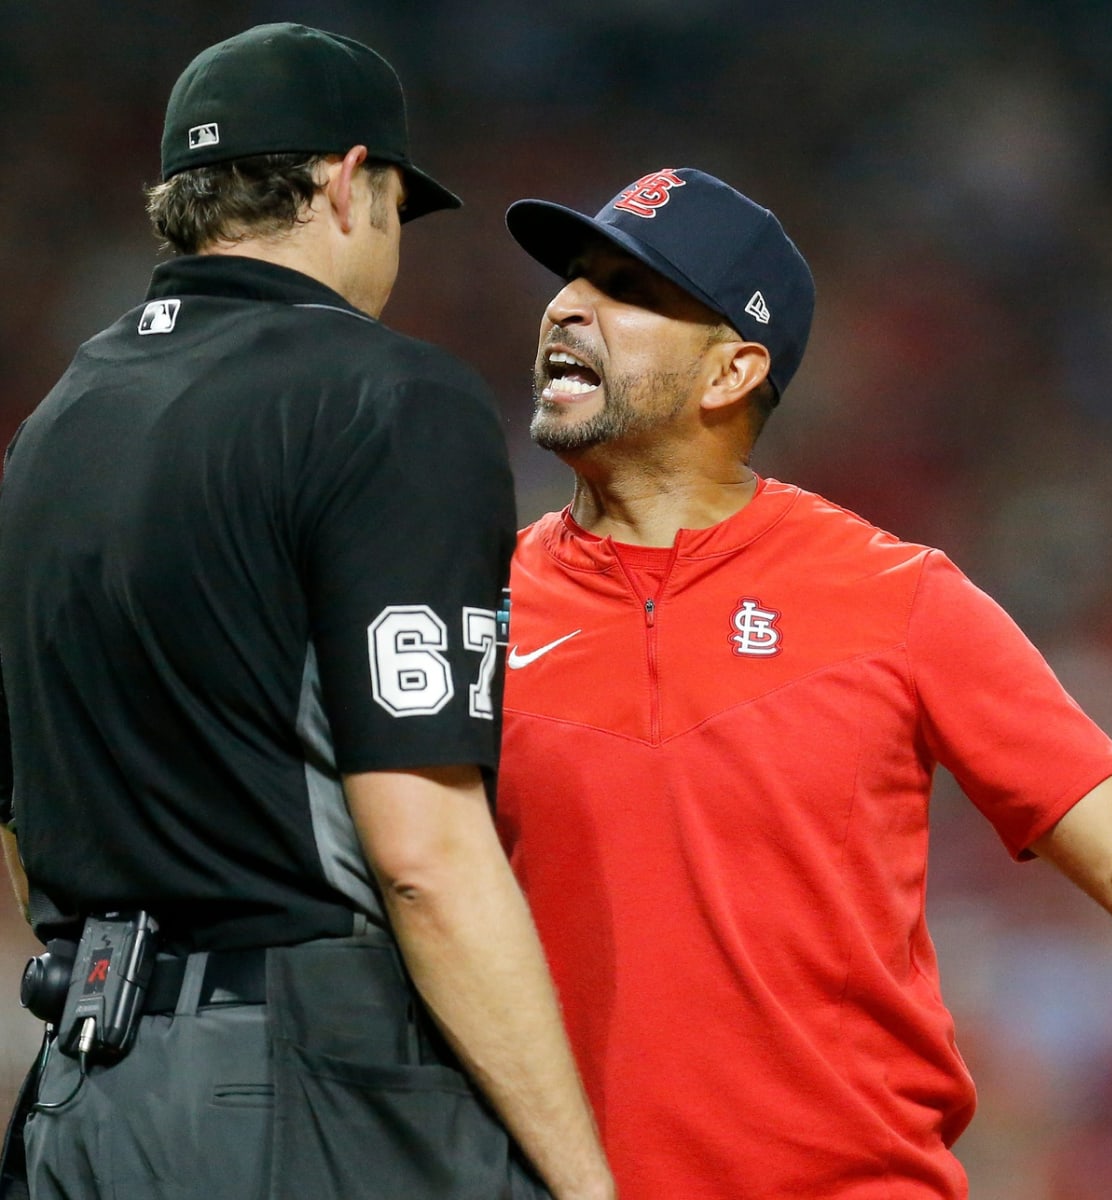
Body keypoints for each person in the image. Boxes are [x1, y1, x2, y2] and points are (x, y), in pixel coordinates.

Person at [494, 165, 1112, 1199]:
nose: (567, 306)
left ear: (732, 372)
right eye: (574, 279)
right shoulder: (469, 607)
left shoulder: (896, 597)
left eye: (628, 291)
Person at [0, 23, 612, 1200]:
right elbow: (425, 854)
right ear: (346, 182)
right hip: (296, 1086)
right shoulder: (388, 396)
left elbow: (20, 817)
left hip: (84, 1087)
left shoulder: (54, 426)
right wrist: (585, 1182)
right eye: (393, 202)